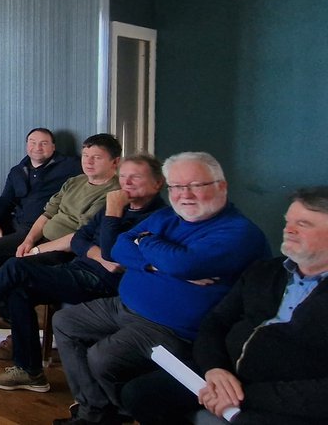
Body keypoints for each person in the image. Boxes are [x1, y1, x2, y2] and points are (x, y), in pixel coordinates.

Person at [0, 154, 167, 393]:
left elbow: (113, 254)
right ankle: (30, 371)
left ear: (157, 183)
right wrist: (97, 253)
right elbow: (80, 239)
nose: (127, 183)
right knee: (18, 289)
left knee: (16, 267)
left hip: (106, 283)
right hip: (81, 268)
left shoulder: (156, 217)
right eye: (124, 177)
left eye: (136, 177)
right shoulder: (116, 205)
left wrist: (111, 221)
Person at [52, 152, 270, 425]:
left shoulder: (239, 232)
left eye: (195, 185)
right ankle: (97, 410)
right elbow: (118, 248)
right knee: (64, 321)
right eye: (177, 187)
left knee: (102, 357)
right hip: (124, 305)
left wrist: (145, 242)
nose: (184, 194)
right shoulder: (168, 216)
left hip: (170, 328)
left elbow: (185, 264)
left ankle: (104, 414)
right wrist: (158, 265)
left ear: (221, 186)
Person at [120, 186, 328, 425]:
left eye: (303, 224)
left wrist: (244, 396)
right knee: (139, 393)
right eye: (287, 221)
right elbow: (216, 321)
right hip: (223, 372)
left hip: (278, 396)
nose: (287, 230)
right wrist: (214, 368)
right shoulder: (266, 270)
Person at [0, 133, 123, 280]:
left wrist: (36, 250)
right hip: (42, 236)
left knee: (16, 266)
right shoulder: (75, 181)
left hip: (65, 249)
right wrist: (28, 241)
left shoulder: (113, 193)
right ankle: (0, 301)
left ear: (115, 162)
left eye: (97, 157)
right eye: (85, 155)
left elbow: (81, 236)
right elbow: (47, 213)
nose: (88, 162)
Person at [0, 128, 82, 277]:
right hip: (17, 220)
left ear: (53, 147)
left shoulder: (70, 166)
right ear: (26, 145)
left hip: (38, 228)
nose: (37, 148)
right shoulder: (18, 170)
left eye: (44, 143)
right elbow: (5, 200)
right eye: (32, 142)